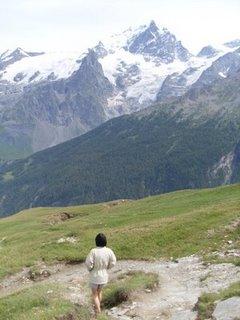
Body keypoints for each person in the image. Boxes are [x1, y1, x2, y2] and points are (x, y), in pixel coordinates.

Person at [85, 233, 117, 315]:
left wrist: (90, 269)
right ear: (105, 241)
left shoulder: (93, 251)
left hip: (94, 276)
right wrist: (107, 267)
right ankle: (99, 307)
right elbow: (113, 262)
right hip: (104, 276)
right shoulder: (109, 251)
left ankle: (98, 310)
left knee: (94, 294)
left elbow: (88, 263)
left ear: (96, 241)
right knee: (99, 292)